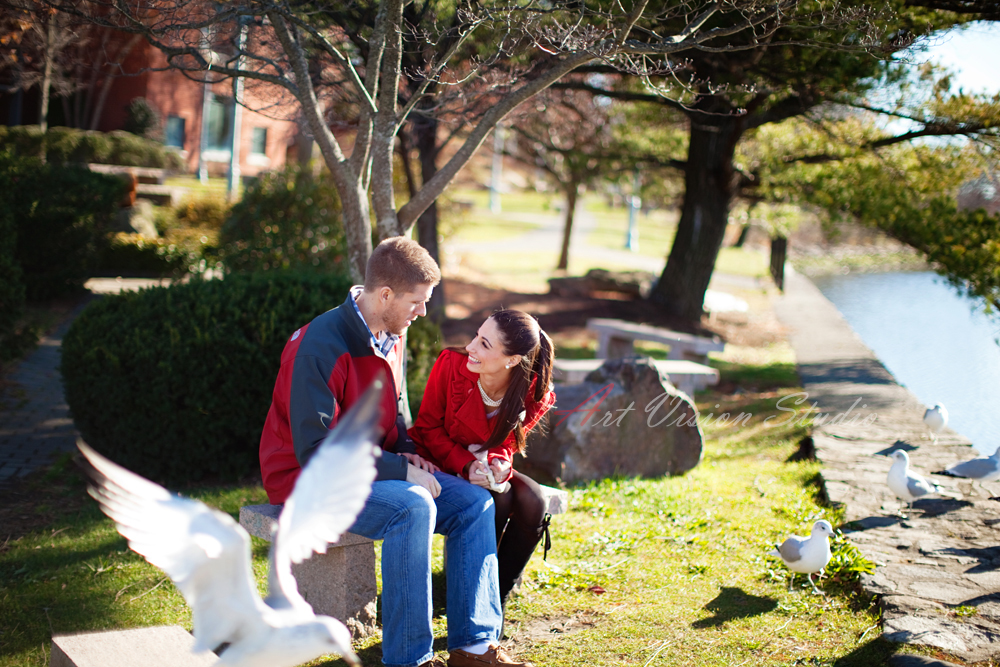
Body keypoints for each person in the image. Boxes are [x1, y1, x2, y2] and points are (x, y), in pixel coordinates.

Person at [259, 237, 532, 667]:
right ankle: (409, 659)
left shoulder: (390, 333)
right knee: (413, 505)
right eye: (417, 301)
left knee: (474, 503)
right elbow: (315, 449)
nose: (423, 312)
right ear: (385, 295)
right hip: (305, 481)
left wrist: (407, 452)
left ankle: (474, 647)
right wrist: (401, 473)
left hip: (369, 470)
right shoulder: (319, 346)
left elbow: (395, 413)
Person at [410, 309, 556, 618]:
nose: (471, 347)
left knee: (534, 501)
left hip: (484, 468)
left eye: (485, 344)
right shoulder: (451, 365)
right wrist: (467, 465)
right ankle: (471, 597)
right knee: (497, 502)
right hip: (436, 460)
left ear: (512, 359)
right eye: (477, 336)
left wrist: (500, 462)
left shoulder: (535, 392)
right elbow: (427, 428)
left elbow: (509, 442)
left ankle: (496, 597)